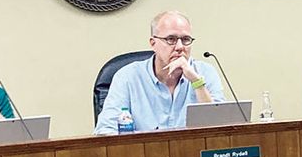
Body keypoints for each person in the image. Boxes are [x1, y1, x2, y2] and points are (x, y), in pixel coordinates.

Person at [95, 10, 223, 134]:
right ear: (153, 43)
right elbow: (106, 130)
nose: (180, 47)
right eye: (171, 39)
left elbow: (220, 129)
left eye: (185, 39)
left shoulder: (205, 72)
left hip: (193, 152)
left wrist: (197, 83)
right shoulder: (128, 77)